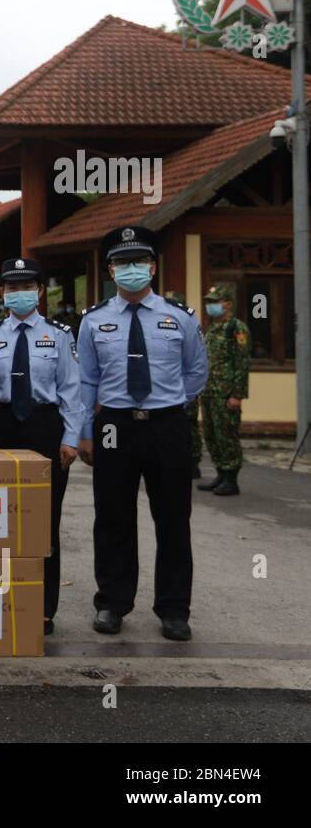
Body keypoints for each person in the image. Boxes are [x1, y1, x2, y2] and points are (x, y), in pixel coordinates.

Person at [77, 225, 208, 641]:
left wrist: (167, 403)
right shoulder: (94, 321)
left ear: (153, 266)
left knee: (173, 518)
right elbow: (85, 382)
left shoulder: (180, 318)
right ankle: (112, 604)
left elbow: (196, 371)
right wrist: (85, 432)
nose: (131, 269)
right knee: (112, 516)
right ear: (110, 270)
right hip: (114, 424)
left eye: (139, 261)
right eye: (122, 262)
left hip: (167, 424)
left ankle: (174, 610)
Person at [0, 258, 81, 635]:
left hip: (44, 426)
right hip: (2, 426)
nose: (18, 293)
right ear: (1, 293)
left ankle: (43, 607)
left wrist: (71, 437)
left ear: (38, 291)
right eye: (10, 287)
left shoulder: (59, 335)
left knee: (43, 521)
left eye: (26, 286)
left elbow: (72, 390)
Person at [196, 284, 250, 497]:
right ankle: (220, 473)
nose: (210, 305)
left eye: (215, 301)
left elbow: (242, 362)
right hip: (209, 391)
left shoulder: (236, 328)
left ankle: (231, 478)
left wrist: (237, 394)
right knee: (211, 435)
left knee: (227, 435)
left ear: (227, 303)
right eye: (209, 302)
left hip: (226, 393)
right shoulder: (212, 329)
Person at [165, 291, 203, 478]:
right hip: (167, 390)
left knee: (189, 427)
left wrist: (190, 392)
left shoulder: (188, 323)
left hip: (184, 389)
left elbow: (195, 365)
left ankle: (192, 462)